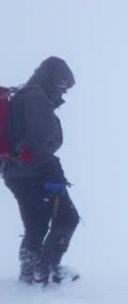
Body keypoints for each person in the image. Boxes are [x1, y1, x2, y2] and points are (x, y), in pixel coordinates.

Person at [3, 56, 80, 285]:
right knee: (68, 218)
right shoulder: (35, 97)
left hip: (15, 173)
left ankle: (30, 271)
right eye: (63, 85)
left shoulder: (21, 96)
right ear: (53, 78)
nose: (64, 92)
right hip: (39, 170)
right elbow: (40, 139)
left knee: (36, 224)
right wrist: (53, 173)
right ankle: (45, 269)